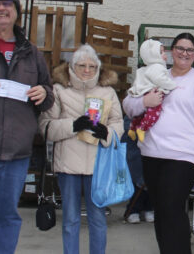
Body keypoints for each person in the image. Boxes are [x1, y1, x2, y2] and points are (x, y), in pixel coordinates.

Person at [123, 32, 194, 254]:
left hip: (184, 156)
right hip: (151, 153)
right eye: (180, 48)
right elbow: (128, 105)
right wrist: (143, 102)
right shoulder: (152, 74)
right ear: (170, 51)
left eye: (190, 50)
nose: (184, 53)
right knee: (161, 210)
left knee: (172, 206)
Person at [0, 0, 54, 253]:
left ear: (16, 12)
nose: (1, 8)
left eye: (6, 4)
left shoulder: (32, 53)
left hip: (17, 154)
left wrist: (43, 93)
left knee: (7, 217)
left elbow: (48, 95)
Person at [39, 44, 124, 254]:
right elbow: (46, 126)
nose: (87, 70)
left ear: (98, 68)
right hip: (68, 164)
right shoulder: (59, 90)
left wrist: (107, 133)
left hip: (98, 166)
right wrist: (74, 125)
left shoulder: (108, 92)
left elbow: (118, 124)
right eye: (81, 66)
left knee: (98, 219)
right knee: (70, 220)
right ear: (71, 66)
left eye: (92, 66)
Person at [127, 39, 176, 142]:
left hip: (144, 92)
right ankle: (142, 128)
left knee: (141, 114)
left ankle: (132, 128)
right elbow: (159, 79)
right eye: (161, 52)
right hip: (153, 93)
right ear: (153, 55)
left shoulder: (148, 67)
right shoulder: (157, 67)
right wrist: (172, 85)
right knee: (154, 113)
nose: (164, 54)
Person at [122, 115, 153, 224]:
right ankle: (133, 210)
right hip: (135, 147)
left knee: (152, 178)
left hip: (153, 146)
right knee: (138, 180)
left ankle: (149, 208)